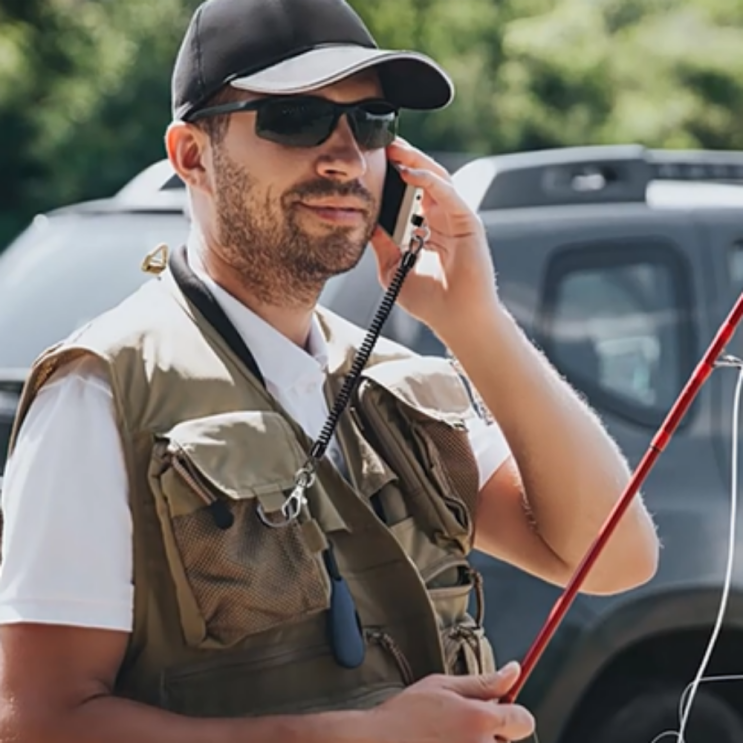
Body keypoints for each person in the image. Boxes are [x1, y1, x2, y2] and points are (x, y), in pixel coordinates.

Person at [0, 0, 660, 740]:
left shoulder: (395, 387)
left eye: (371, 122)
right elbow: (40, 722)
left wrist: (475, 322)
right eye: (296, 119)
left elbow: (613, 558)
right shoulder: (103, 391)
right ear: (191, 155)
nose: (345, 157)